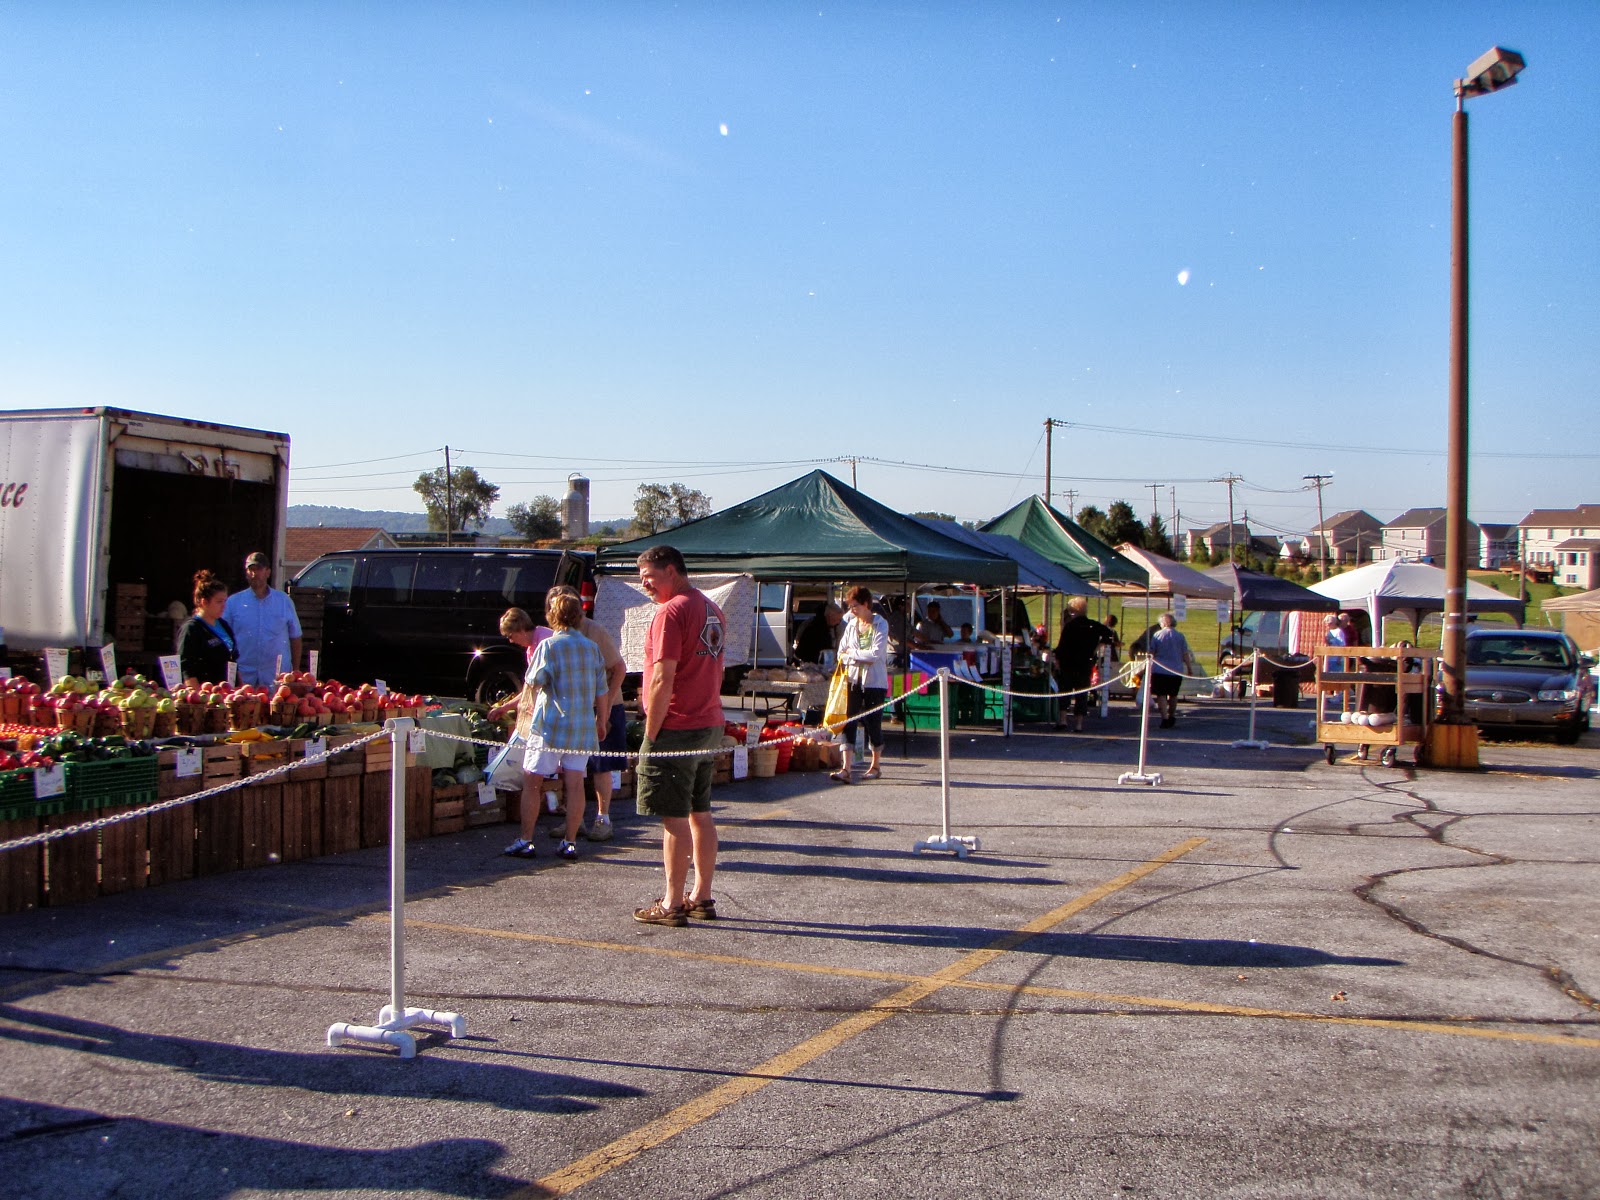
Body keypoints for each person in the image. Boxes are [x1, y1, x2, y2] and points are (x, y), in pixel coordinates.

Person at [633, 545, 727, 927]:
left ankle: (672, 903)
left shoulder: (671, 611)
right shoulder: (710, 608)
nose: (645, 586)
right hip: (709, 723)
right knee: (699, 813)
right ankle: (701, 896)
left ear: (671, 571)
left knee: (673, 819)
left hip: (677, 725)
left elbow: (661, 676)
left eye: (649, 578)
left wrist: (652, 730)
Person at [502, 591, 607, 862]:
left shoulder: (548, 646)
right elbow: (601, 690)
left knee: (533, 781)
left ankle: (526, 839)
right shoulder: (591, 647)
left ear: (553, 616)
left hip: (550, 724)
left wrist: (520, 717)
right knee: (575, 784)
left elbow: (532, 683)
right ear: (579, 615)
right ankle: (569, 841)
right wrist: (602, 720)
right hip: (582, 725)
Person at [548, 583, 627, 843]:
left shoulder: (595, 631)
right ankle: (576, 819)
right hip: (574, 708)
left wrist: (604, 711)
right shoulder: (556, 634)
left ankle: (603, 819)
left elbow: (619, 668)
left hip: (604, 706)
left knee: (600, 765)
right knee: (574, 767)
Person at [491, 607, 552, 859]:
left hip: (546, 720)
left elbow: (533, 687)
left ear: (519, 629)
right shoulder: (532, 647)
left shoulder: (544, 642)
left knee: (531, 776)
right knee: (570, 776)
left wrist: (513, 709)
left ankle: (527, 839)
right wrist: (507, 706)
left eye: (510, 635)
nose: (510, 640)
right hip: (550, 716)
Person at [832, 585, 889, 784]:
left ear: (866, 604)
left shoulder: (880, 624)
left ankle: (875, 766)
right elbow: (840, 653)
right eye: (850, 606)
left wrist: (852, 655)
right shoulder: (851, 625)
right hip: (852, 680)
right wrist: (853, 657)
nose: (852, 611)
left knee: (874, 721)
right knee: (849, 721)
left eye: (855, 606)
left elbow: (875, 654)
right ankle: (846, 768)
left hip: (875, 681)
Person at [224, 552, 303, 686]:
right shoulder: (233, 603)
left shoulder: (284, 601)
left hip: (276, 676)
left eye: (259, 569)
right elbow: (224, 637)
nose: (254, 574)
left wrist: (295, 670)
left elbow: (295, 637)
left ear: (268, 572)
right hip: (244, 674)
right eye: (251, 570)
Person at [1053, 595, 1114, 732]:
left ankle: (1063, 720)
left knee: (1065, 692)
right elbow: (1109, 635)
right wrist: (1097, 646)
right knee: (1082, 694)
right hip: (1085, 663)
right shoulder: (1093, 625)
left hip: (1068, 664)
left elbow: (1062, 646)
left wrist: (1057, 658)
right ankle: (1079, 724)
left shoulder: (1070, 627)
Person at [177, 569, 238, 686]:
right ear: (204, 602)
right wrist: (198, 699)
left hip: (228, 695)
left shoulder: (224, 625)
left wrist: (241, 690)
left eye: (225, 601)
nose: (224, 606)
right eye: (219, 602)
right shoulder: (192, 629)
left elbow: (234, 662)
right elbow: (187, 669)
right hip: (207, 696)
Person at [1148, 611, 1196, 729]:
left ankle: (1164, 717)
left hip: (1160, 670)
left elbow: (1151, 653)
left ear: (1162, 623)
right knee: (1173, 694)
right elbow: (1185, 654)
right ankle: (1172, 715)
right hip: (1175, 670)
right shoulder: (1180, 636)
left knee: (1161, 694)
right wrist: (1189, 668)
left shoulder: (1157, 635)